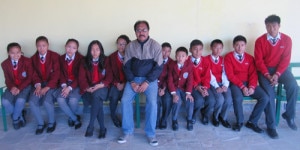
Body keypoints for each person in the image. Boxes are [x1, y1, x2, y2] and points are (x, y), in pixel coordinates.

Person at [117, 20, 163, 146]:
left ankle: (150, 134)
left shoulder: (155, 46)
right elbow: (126, 66)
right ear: (135, 32)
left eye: (144, 30)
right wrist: (132, 82)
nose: (141, 32)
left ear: (148, 31)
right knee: (125, 100)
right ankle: (127, 131)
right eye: (138, 30)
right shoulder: (131, 46)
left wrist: (147, 82)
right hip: (134, 80)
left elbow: (158, 67)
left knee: (153, 103)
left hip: (150, 81)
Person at [255, 14, 297, 138]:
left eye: (274, 26)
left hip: (281, 70)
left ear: (279, 26)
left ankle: (289, 115)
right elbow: (259, 61)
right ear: (265, 27)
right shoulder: (260, 41)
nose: (271, 29)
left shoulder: (287, 40)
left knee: (293, 86)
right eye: (268, 26)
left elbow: (285, 59)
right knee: (270, 95)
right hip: (265, 71)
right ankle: (271, 126)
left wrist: (277, 74)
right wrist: (268, 75)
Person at [224, 35, 269, 135]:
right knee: (237, 98)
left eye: (242, 45)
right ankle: (239, 122)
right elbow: (230, 75)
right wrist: (242, 86)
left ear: (245, 46)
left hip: (249, 83)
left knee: (264, 97)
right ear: (233, 46)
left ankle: (252, 122)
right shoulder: (228, 57)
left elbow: (253, 73)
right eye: (237, 45)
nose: (239, 48)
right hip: (236, 84)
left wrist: (252, 86)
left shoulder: (250, 58)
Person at [79, 40, 112, 139]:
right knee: (97, 102)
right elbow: (81, 78)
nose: (95, 52)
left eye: (97, 49)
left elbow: (110, 76)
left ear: (101, 50)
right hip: (89, 88)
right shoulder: (84, 61)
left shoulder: (106, 60)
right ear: (89, 51)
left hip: (103, 87)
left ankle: (91, 125)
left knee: (96, 95)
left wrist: (101, 85)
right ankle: (102, 128)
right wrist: (87, 88)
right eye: (92, 49)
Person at [29, 36, 60, 135]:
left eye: (44, 46)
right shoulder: (33, 59)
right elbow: (33, 74)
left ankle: (52, 122)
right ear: (36, 46)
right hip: (39, 84)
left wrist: (47, 87)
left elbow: (56, 74)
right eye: (39, 46)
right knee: (32, 101)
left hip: (52, 84)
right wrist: (38, 86)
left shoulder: (55, 56)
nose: (41, 48)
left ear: (48, 46)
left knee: (47, 100)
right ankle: (40, 123)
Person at [1, 42, 33, 130]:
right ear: (8, 53)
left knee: (20, 100)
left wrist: (19, 88)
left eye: (18, 52)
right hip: (12, 87)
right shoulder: (4, 64)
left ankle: (15, 119)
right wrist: (12, 87)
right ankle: (20, 116)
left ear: (21, 52)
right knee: (5, 101)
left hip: (25, 86)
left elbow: (30, 78)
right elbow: (7, 79)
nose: (16, 55)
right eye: (12, 53)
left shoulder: (27, 61)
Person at [54, 39, 83, 130]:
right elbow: (60, 73)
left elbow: (80, 76)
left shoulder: (81, 59)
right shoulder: (61, 58)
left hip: (76, 84)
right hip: (64, 84)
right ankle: (74, 118)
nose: (70, 50)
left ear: (77, 49)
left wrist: (70, 88)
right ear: (65, 47)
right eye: (69, 47)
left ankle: (71, 118)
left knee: (73, 100)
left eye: (74, 48)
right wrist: (64, 86)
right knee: (60, 98)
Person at [206, 39, 232, 128]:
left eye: (220, 48)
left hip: (222, 83)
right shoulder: (206, 59)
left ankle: (223, 117)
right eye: (215, 48)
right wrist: (217, 86)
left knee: (228, 99)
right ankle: (215, 117)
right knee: (220, 99)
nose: (218, 50)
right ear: (211, 48)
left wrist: (225, 85)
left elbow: (225, 73)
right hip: (212, 84)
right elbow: (209, 75)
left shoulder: (223, 60)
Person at [168, 47, 194, 131]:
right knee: (177, 101)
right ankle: (174, 120)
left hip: (184, 88)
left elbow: (190, 80)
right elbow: (170, 80)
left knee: (190, 101)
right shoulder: (172, 65)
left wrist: (188, 93)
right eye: (178, 56)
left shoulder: (189, 65)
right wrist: (174, 94)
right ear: (175, 56)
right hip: (175, 88)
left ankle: (189, 119)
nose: (180, 58)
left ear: (187, 57)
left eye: (183, 56)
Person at [107, 35, 131, 128]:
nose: (121, 46)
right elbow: (109, 74)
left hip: (128, 83)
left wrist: (125, 84)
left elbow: (134, 72)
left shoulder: (131, 57)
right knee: (114, 96)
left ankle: (127, 118)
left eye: (124, 44)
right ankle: (113, 116)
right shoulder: (111, 57)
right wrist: (116, 84)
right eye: (119, 44)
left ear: (128, 45)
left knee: (125, 98)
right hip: (115, 83)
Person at [188, 40, 214, 125]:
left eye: (200, 49)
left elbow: (207, 76)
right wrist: (196, 86)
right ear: (190, 50)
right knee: (199, 100)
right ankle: (193, 115)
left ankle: (205, 114)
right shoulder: (186, 60)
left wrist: (205, 88)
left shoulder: (205, 61)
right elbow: (188, 77)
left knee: (211, 100)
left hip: (203, 85)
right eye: (195, 49)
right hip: (191, 85)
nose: (198, 52)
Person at [157, 42, 174, 129]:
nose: (165, 53)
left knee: (167, 100)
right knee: (156, 100)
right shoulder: (155, 60)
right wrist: (158, 88)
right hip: (155, 86)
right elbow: (152, 75)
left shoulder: (172, 63)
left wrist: (163, 88)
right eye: (164, 51)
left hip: (166, 87)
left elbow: (170, 78)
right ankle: (156, 120)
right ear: (160, 51)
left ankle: (163, 119)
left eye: (168, 51)